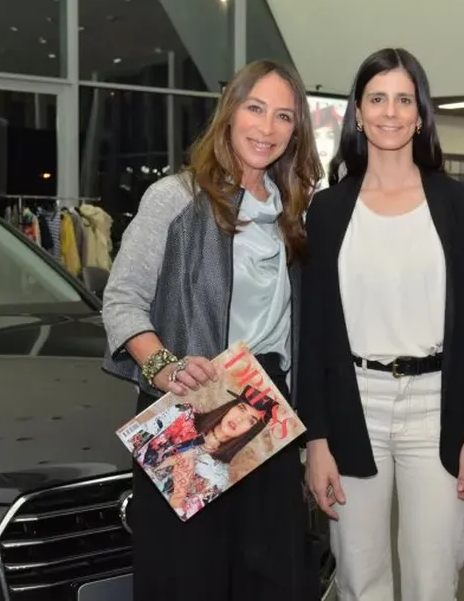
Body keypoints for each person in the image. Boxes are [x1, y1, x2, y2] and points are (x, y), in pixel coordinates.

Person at [100, 59, 323, 601]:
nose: (266, 128)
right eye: (255, 108)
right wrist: (165, 366)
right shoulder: (176, 198)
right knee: (188, 578)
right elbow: (122, 300)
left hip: (268, 409)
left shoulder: (295, 211)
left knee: (272, 578)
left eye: (283, 116)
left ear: (296, 131)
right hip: (192, 405)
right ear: (230, 112)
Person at [299, 47, 464, 601]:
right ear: (357, 113)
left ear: (420, 113)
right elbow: (312, 334)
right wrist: (315, 439)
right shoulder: (328, 210)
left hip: (438, 405)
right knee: (359, 577)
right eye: (377, 98)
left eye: (404, 99)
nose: (390, 111)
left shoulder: (458, 206)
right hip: (351, 404)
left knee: (435, 576)